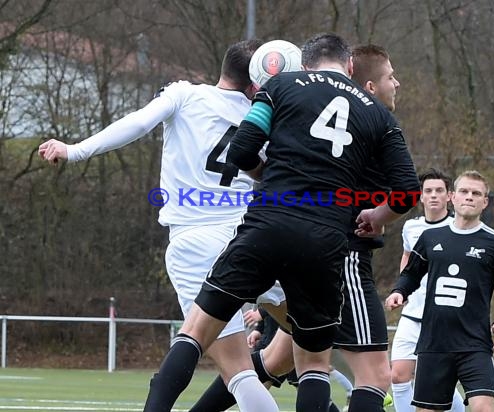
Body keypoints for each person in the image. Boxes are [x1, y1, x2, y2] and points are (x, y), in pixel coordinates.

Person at [142, 32, 419, 412]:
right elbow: (406, 191)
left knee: (195, 333)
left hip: (266, 228)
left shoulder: (279, 87)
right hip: (325, 244)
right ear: (349, 66)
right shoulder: (377, 113)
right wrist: (376, 216)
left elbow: (242, 148)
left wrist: (269, 177)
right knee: (314, 366)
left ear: (305, 63)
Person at [38, 40, 281, 412]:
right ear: (255, 84)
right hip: (252, 238)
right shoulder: (263, 118)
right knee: (312, 341)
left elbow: (137, 122)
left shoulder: (185, 95)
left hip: (194, 243)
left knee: (236, 368)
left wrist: (75, 149)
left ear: (224, 69)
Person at [384, 170, 494, 412]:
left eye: (476, 193)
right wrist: (399, 292)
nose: (470, 197)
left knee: (483, 408)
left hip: (475, 344)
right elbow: (411, 274)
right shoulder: (429, 237)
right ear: (454, 197)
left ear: (485, 201)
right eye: (464, 192)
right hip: (434, 343)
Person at [390, 168, 464, 412]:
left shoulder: (459, 227)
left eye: (439, 190)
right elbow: (407, 258)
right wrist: (403, 290)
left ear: (450, 196)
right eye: (428, 191)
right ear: (420, 197)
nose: (434, 195)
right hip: (413, 313)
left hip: (443, 318)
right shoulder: (411, 227)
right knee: (399, 375)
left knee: (436, 379)